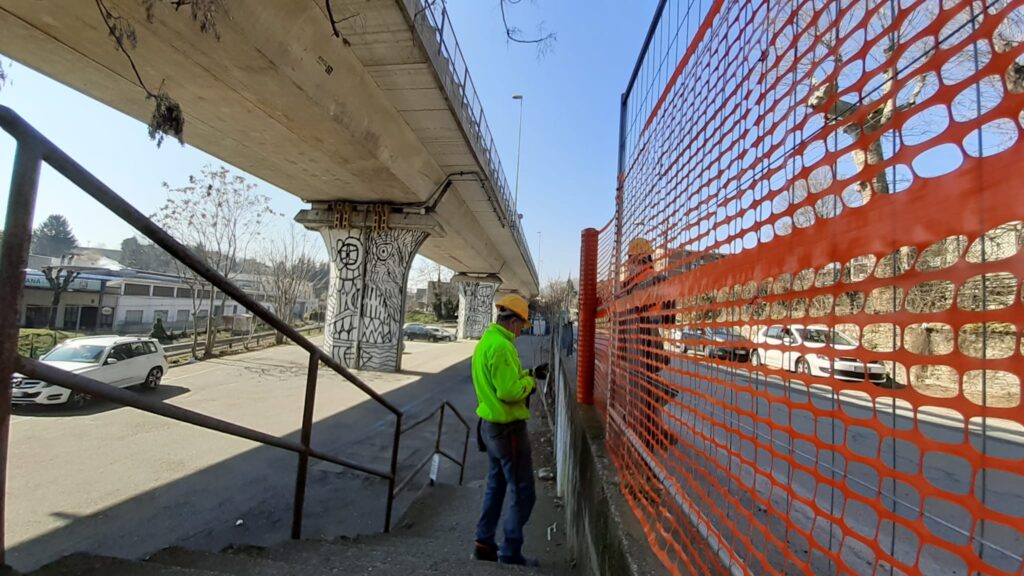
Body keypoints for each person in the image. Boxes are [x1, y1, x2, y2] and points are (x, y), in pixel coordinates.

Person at [471, 294, 549, 566]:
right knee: (524, 491)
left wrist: (529, 373)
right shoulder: (503, 348)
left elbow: (500, 382)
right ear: (513, 321)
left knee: (496, 485)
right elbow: (508, 391)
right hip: (508, 429)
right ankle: (510, 551)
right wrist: (530, 385)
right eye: (522, 326)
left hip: (491, 427)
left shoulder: (487, 343)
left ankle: (484, 543)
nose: (521, 331)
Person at [619, 238, 675, 453]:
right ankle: (654, 431)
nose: (628, 264)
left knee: (642, 391)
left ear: (637, 258)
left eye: (630, 259)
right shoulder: (657, 279)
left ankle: (647, 436)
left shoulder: (634, 284)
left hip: (638, 342)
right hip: (650, 342)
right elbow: (669, 319)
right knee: (649, 390)